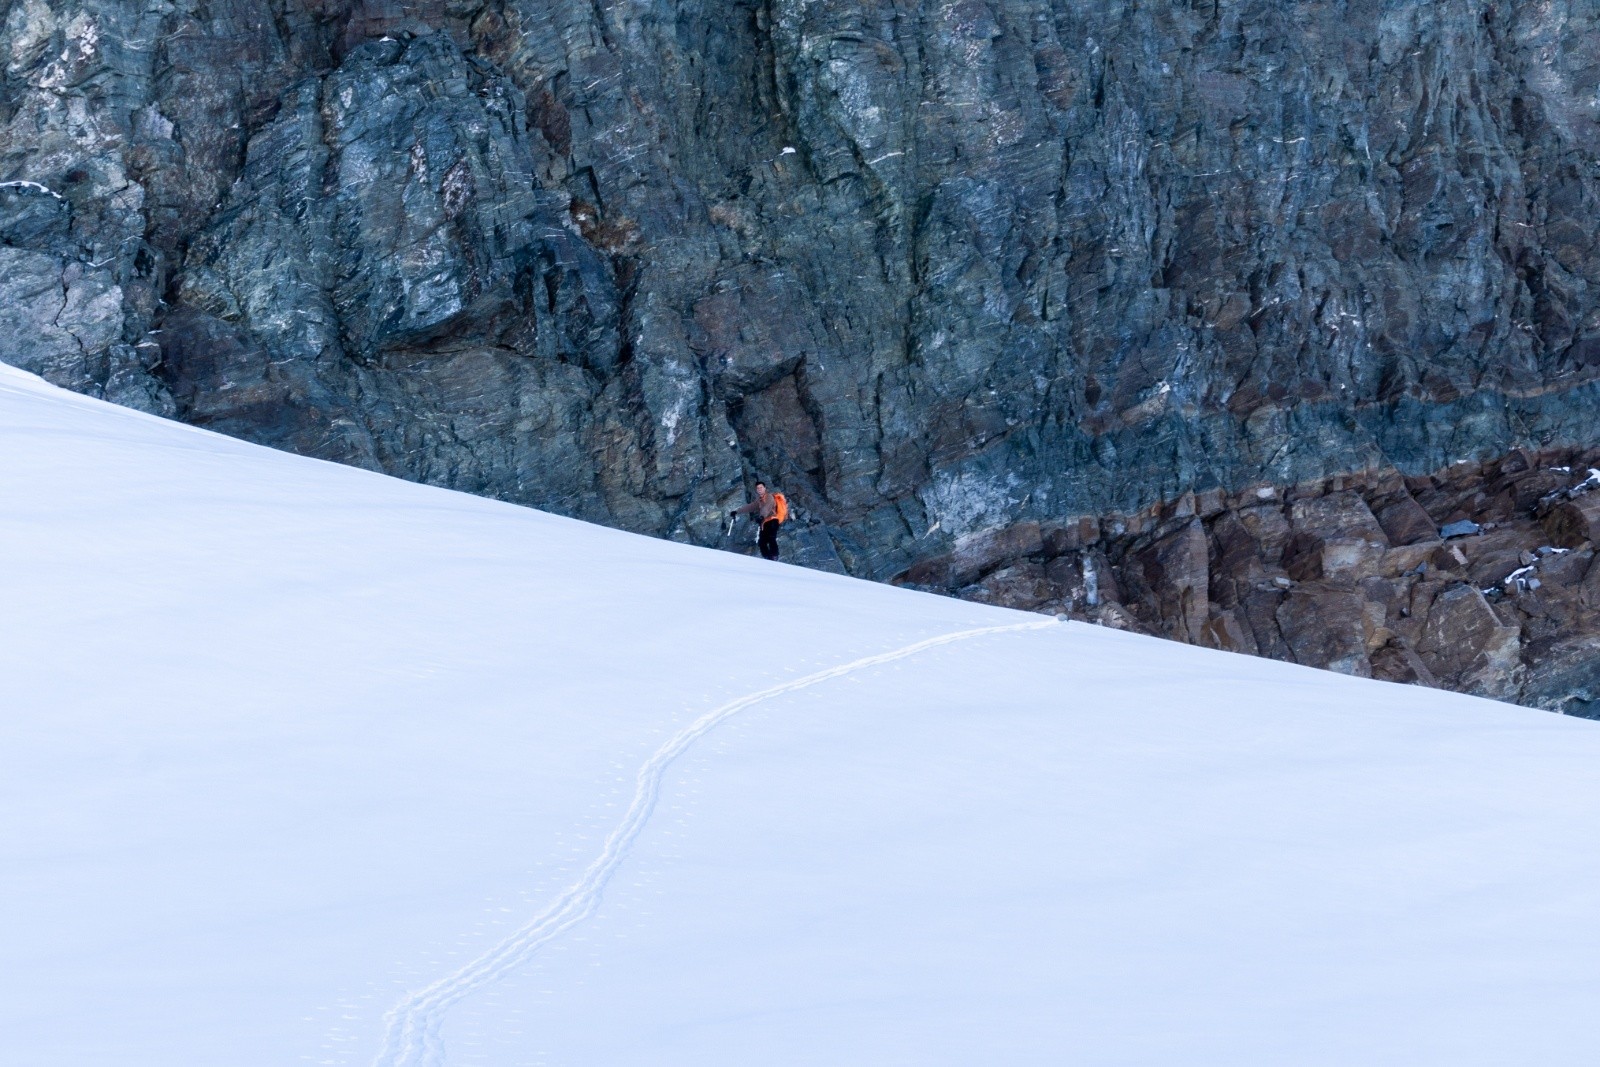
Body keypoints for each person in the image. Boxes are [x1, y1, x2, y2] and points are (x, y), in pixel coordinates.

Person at [731, 481, 785, 560]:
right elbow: (750, 507)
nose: (759, 489)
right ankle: (767, 558)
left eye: (761, 487)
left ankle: (774, 556)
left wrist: (762, 516)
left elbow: (767, 508)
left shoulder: (769, 497)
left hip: (772, 521)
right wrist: (737, 511)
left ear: (765, 488)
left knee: (771, 538)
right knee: (762, 542)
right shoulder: (759, 500)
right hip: (764, 523)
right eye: (758, 488)